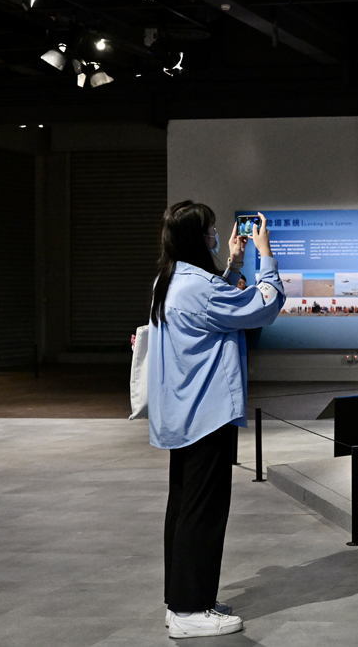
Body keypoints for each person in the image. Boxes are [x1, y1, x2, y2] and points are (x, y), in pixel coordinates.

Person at [147, 203, 283, 639]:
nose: (216, 235)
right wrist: (265, 255)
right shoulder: (198, 287)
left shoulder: (169, 280)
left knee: (184, 508)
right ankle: (189, 610)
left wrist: (232, 267)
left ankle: (183, 599)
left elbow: (211, 311)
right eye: (210, 229)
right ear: (196, 238)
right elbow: (263, 306)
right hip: (207, 413)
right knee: (203, 513)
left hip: (183, 412)